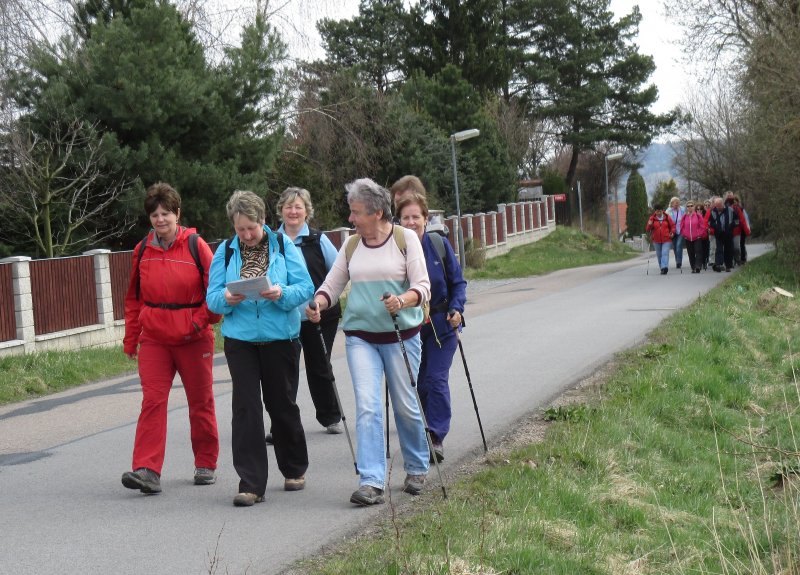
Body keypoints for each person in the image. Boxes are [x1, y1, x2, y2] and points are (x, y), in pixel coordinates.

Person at [305, 178, 431, 506]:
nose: (351, 218)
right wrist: (319, 302)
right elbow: (332, 284)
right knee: (368, 407)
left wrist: (403, 300)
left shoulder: (405, 240)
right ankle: (372, 480)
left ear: (376, 212)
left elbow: (423, 286)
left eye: (356, 212)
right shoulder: (351, 246)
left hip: (401, 334)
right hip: (361, 336)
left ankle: (417, 466)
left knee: (405, 404)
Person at [206, 190, 314, 507]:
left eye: (251, 228)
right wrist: (225, 300)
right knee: (246, 410)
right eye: (240, 229)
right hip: (240, 342)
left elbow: (305, 288)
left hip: (281, 338)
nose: (247, 235)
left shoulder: (283, 245)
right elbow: (211, 298)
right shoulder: (224, 252)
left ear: (263, 220)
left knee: (281, 405)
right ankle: (251, 483)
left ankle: (294, 467)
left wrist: (281, 293)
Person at [121, 182, 221, 495]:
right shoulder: (142, 250)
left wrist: (199, 321)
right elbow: (134, 298)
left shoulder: (196, 246)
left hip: (193, 337)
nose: (160, 219)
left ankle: (206, 462)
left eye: (166, 213)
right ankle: (147, 470)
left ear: (177, 214)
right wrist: (131, 338)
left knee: (200, 401)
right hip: (155, 339)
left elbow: (215, 293)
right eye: (154, 214)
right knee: (152, 401)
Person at [396, 190, 467, 463]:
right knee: (420, 384)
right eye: (405, 217)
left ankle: (435, 437)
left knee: (436, 380)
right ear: (398, 220)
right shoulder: (395, 249)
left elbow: (458, 283)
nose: (411, 222)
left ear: (426, 218)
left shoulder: (438, 244)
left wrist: (457, 308)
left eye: (416, 216)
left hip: (442, 325)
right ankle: (423, 432)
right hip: (410, 326)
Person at [275, 187, 343, 436]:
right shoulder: (271, 241)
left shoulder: (318, 239)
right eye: (288, 206)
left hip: (320, 316)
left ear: (307, 211)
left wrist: (321, 301)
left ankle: (330, 416)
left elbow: (338, 274)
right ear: (281, 210)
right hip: (283, 315)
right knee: (283, 372)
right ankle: (280, 424)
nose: (293, 211)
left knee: (319, 365)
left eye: (298, 206)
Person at [707, 196, 738, 272]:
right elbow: (710, 222)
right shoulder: (713, 212)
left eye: (719, 206)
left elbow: (737, 221)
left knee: (728, 250)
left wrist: (731, 226)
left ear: (722, 204)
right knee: (719, 249)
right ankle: (719, 265)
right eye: (716, 206)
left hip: (728, 233)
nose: (718, 207)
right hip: (719, 233)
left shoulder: (730, 210)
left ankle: (728, 266)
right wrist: (716, 226)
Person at [645, 204, 675, 275]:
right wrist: (649, 224)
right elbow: (647, 229)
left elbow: (673, 226)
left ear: (662, 211)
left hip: (666, 239)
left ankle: (664, 267)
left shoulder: (667, 217)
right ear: (655, 211)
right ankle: (662, 267)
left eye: (660, 211)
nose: (658, 213)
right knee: (659, 255)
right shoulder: (652, 219)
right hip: (656, 240)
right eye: (657, 211)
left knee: (665, 253)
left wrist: (672, 232)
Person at [680, 201, 708, 274]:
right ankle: (693, 267)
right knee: (691, 253)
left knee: (698, 251)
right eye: (688, 206)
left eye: (691, 206)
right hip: (688, 238)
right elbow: (681, 227)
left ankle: (698, 266)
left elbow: (702, 226)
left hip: (697, 237)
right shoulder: (684, 216)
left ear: (694, 206)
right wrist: (685, 234)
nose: (690, 207)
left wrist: (699, 234)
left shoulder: (698, 216)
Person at [666, 196, 686, 270]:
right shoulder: (668, 211)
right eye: (675, 203)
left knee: (678, 245)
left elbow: (685, 218)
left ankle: (679, 262)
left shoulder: (682, 209)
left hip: (681, 230)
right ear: (671, 203)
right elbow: (666, 221)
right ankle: (677, 260)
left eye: (677, 202)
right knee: (675, 247)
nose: (676, 204)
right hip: (672, 231)